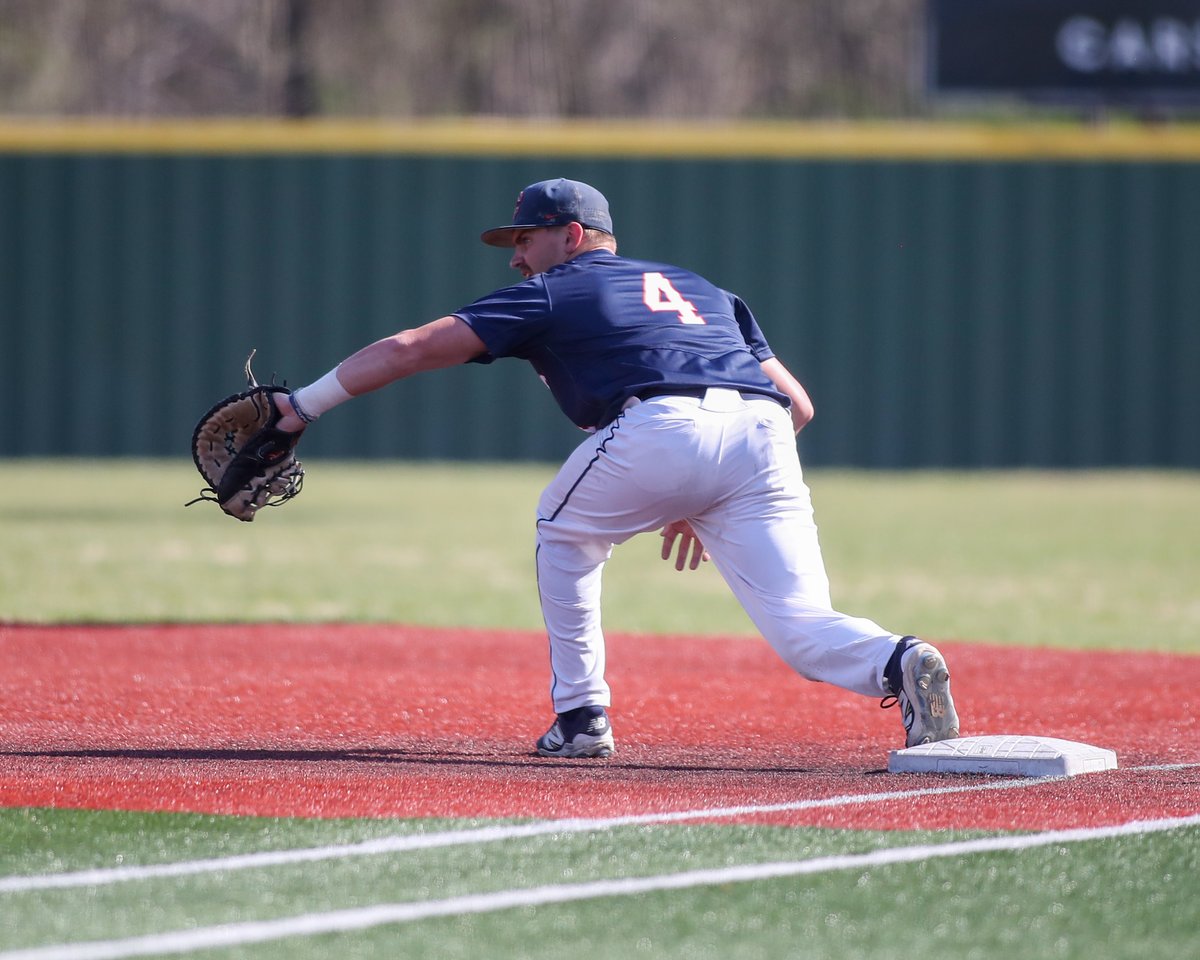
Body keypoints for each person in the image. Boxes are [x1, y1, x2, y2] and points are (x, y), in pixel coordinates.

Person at [274, 178, 961, 758]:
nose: (516, 257)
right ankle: (898, 661)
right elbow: (798, 404)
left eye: (525, 238)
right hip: (763, 433)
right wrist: (711, 490)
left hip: (665, 424)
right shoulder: (705, 289)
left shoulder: (556, 288)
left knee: (563, 532)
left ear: (572, 236)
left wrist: (301, 406)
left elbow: (410, 348)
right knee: (801, 623)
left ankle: (580, 717)